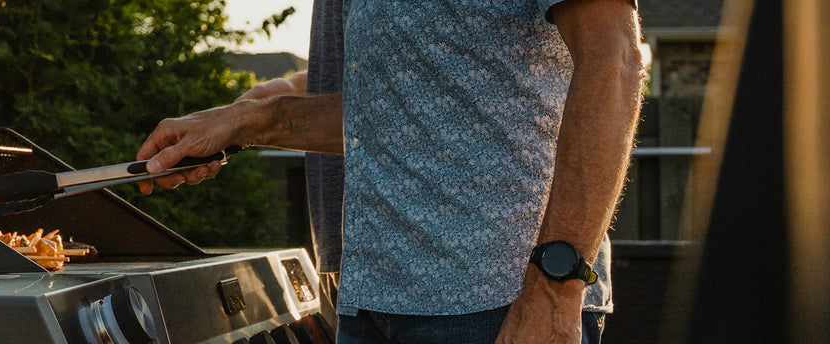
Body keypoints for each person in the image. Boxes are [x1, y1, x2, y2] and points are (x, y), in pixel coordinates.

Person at [135, 0, 644, 342]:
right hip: (372, 304)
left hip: (497, 305)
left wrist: (555, 294)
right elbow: (393, 113)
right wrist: (244, 120)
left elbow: (615, 61)